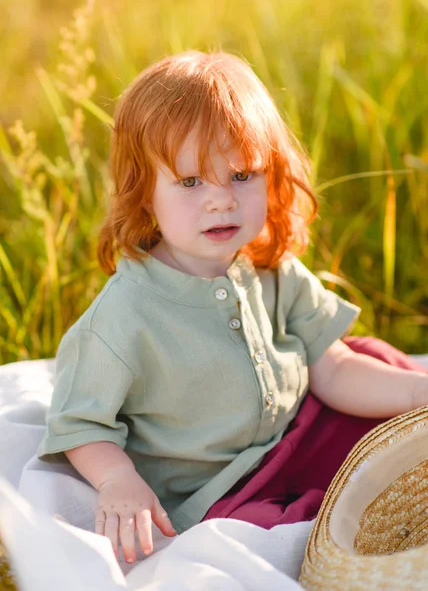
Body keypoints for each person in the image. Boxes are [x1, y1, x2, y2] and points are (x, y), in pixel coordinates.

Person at [37, 50, 428, 565]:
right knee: (263, 541)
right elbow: (80, 424)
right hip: (222, 487)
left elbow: (331, 369)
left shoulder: (268, 266)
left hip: (302, 428)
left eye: (242, 175)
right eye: (191, 181)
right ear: (144, 191)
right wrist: (117, 479)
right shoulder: (124, 317)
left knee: (388, 402)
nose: (221, 200)